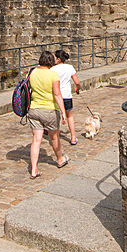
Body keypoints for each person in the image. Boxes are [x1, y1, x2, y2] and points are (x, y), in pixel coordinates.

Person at [26, 50, 69, 178]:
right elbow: (57, 95)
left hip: (34, 109)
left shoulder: (32, 73)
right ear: (51, 61)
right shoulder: (53, 75)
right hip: (49, 110)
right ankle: (60, 159)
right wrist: (63, 112)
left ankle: (34, 169)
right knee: (55, 137)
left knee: (36, 140)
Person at [52, 49, 81, 145]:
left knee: (55, 117)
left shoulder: (53, 69)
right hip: (67, 96)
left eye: (55, 57)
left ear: (59, 59)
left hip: (56, 96)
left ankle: (54, 137)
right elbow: (77, 82)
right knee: (70, 116)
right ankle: (73, 137)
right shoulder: (70, 68)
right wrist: (77, 88)